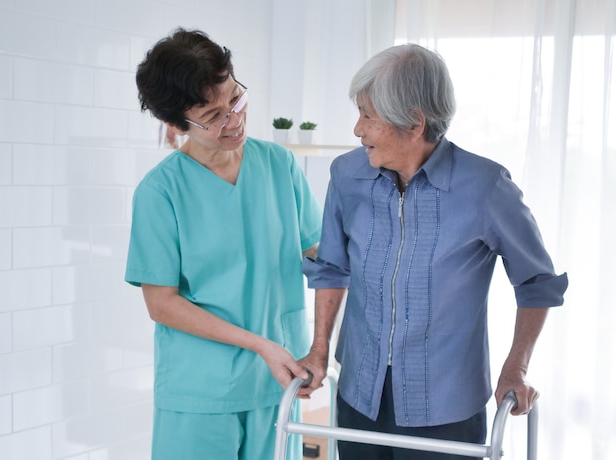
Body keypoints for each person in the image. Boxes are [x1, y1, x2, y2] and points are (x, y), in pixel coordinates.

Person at [298, 43, 568, 459]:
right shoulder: (347, 175)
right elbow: (332, 268)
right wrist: (319, 350)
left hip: (447, 405)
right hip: (359, 394)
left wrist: (516, 367)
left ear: (414, 122)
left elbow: (537, 284)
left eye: (368, 115)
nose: (357, 129)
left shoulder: (485, 186)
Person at [124, 28, 321, 460]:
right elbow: (162, 303)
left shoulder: (279, 165)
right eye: (211, 116)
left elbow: (320, 253)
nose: (233, 120)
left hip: (277, 382)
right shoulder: (160, 193)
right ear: (175, 125)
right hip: (202, 392)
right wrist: (259, 344)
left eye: (235, 99)